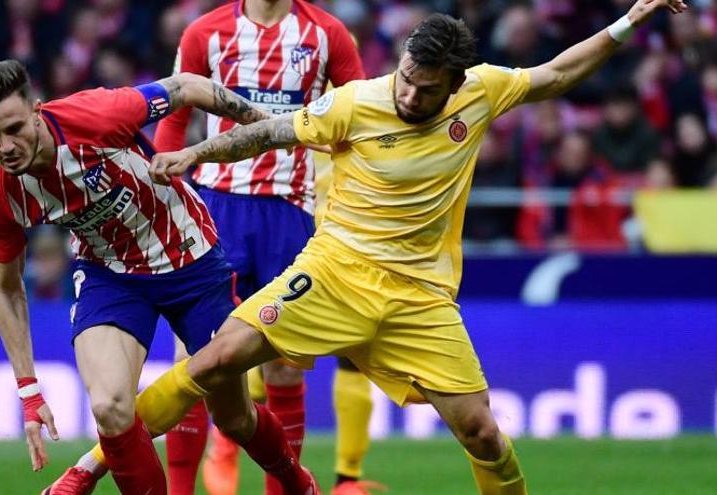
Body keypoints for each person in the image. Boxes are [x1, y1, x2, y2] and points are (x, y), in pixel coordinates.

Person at [141, 2, 687, 494]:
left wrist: (629, 20)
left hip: (420, 298)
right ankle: (100, 464)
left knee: (482, 432)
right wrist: (196, 154)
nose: (408, 94)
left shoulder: (482, 91)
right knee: (213, 358)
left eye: (426, 90)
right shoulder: (357, 101)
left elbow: (558, 73)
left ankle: (345, 475)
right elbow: (267, 133)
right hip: (334, 272)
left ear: (456, 85)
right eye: (406, 79)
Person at [50, 1, 375, 494]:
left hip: (290, 208)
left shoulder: (327, 33)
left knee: (283, 367)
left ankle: (286, 488)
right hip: (217, 207)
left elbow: (359, 115)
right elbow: (176, 118)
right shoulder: (207, 32)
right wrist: (162, 183)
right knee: (195, 364)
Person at [0, 59, 319, 495]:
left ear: (37, 110)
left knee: (234, 419)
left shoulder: (94, 116)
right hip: (111, 275)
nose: (7, 147)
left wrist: (269, 125)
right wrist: (28, 391)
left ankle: (296, 483)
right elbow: (7, 288)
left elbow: (186, 86)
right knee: (110, 407)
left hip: (193, 265)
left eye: (14, 128)